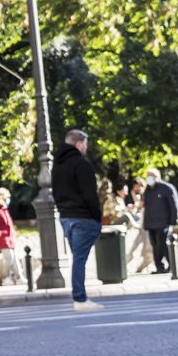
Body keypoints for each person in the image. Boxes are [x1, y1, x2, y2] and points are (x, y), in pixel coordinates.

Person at [51, 128, 104, 312]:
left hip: (66, 217)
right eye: (86, 144)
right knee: (79, 259)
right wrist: (97, 217)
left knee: (78, 258)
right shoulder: (82, 164)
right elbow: (90, 195)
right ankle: (80, 298)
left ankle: (80, 297)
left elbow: (55, 193)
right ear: (79, 143)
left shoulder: (56, 166)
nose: (86, 148)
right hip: (83, 217)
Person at [141, 168, 178, 273]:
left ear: (157, 177)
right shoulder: (147, 190)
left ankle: (172, 265)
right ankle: (159, 267)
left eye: (151, 175)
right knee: (155, 246)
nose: (149, 178)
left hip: (163, 222)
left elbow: (174, 205)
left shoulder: (166, 188)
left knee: (162, 245)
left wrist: (174, 220)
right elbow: (146, 206)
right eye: (148, 175)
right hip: (151, 223)